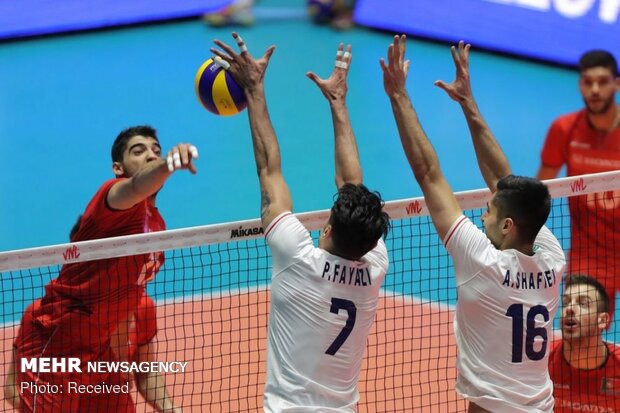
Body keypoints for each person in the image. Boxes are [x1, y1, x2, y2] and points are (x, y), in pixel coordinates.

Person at [382, 35, 566, 412]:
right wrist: (468, 103)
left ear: (508, 226)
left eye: (490, 211)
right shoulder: (551, 257)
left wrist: (399, 95)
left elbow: (428, 174)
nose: (482, 214)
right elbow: (506, 182)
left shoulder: (483, 261)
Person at [210, 33, 390, 411]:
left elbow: (268, 170)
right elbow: (351, 186)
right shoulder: (374, 267)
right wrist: (339, 103)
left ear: (327, 228)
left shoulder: (298, 258)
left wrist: (254, 89)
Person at [9, 126, 197, 412]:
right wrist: (168, 162)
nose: (150, 155)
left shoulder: (156, 224)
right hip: (58, 343)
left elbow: (127, 298)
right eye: (139, 151)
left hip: (100, 353)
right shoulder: (112, 198)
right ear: (118, 168)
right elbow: (136, 187)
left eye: (156, 150)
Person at [536, 50, 620, 317]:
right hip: (590, 256)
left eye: (603, 81)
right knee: (580, 332)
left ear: (617, 83)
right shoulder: (564, 129)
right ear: (579, 84)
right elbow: (538, 192)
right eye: (587, 81)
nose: (595, 89)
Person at [549, 274, 620, 411]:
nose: (569, 308)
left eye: (583, 304)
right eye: (566, 302)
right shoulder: (540, 360)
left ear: (603, 320)